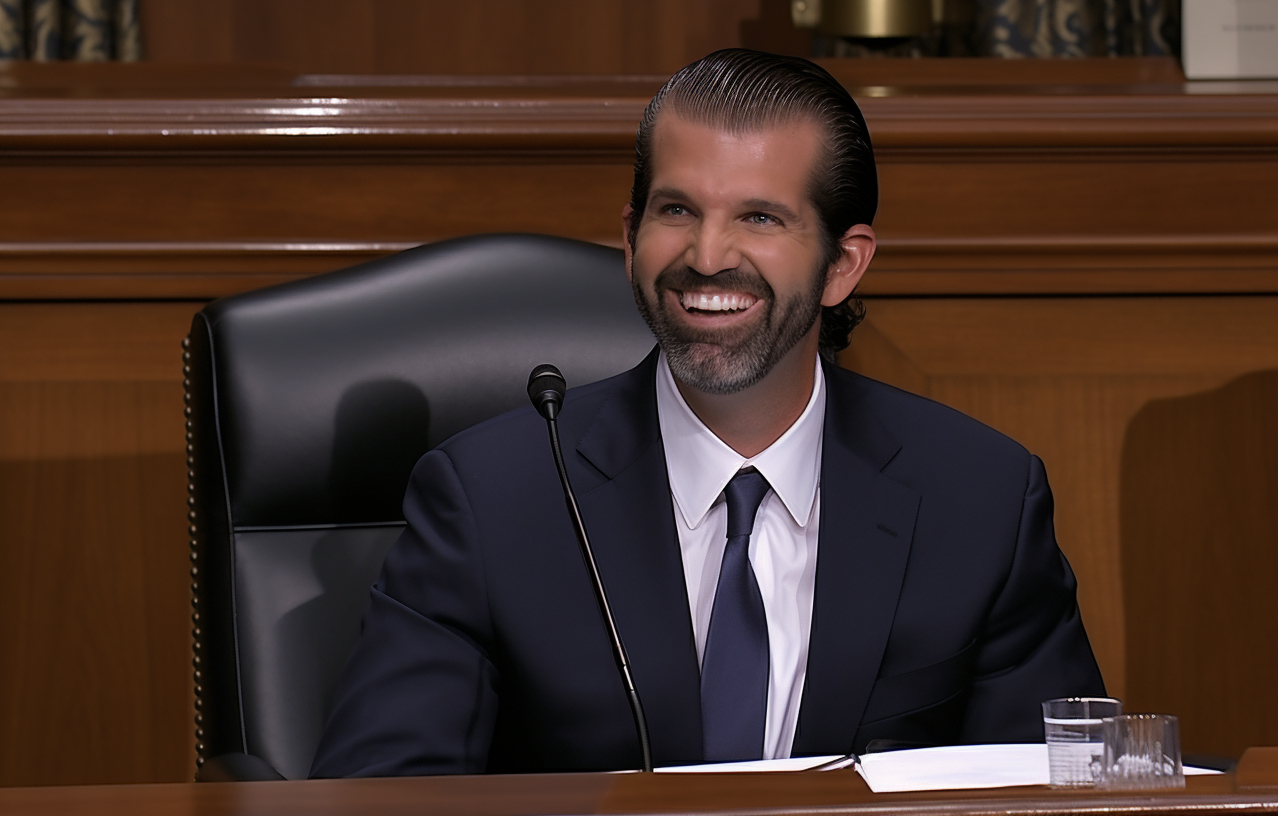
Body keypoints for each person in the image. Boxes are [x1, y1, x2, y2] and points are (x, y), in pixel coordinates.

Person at [310, 49, 1103, 778]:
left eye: (760, 217)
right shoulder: (491, 497)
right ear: (630, 238)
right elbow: (379, 794)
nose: (708, 255)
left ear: (842, 264)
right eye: (676, 211)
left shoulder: (982, 499)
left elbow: (1046, 789)